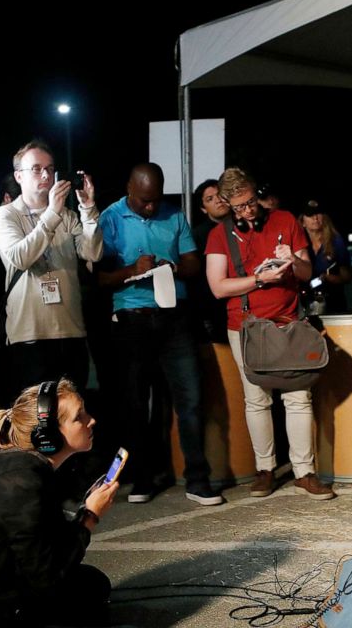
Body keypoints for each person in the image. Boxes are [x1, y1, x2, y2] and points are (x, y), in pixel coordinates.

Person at [0, 379, 118, 628]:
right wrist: (89, 517)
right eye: (79, 417)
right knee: (87, 592)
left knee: (91, 583)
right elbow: (48, 577)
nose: (91, 420)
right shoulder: (21, 485)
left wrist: (82, 515)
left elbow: (45, 547)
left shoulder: (25, 471)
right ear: (48, 436)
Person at [205, 168, 334, 500]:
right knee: (257, 399)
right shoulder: (220, 234)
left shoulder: (285, 220)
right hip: (246, 326)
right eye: (239, 208)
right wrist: (260, 280)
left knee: (298, 397)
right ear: (227, 205)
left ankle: (304, 472)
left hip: (288, 320)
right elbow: (218, 287)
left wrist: (292, 260)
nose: (247, 211)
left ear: (255, 193)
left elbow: (307, 272)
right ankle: (265, 469)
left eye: (250, 203)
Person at [98, 163, 222, 506]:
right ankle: (142, 478)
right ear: (129, 189)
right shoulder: (110, 218)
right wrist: (131, 270)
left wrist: (173, 267)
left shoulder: (174, 215)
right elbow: (98, 278)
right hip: (131, 317)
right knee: (137, 403)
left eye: (155, 200)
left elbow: (194, 265)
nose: (151, 207)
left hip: (174, 316)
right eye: (143, 201)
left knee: (190, 400)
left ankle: (197, 478)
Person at [0, 140, 102, 393]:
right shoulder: (6, 214)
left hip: (70, 330)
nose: (45, 175)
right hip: (30, 334)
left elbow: (92, 253)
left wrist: (87, 209)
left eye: (50, 169)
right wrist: (52, 212)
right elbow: (20, 258)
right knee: (37, 420)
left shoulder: (69, 215)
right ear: (18, 176)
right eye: (36, 168)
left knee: (72, 415)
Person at [189, 179, 231, 342]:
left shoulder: (245, 225)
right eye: (210, 199)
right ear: (203, 209)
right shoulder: (198, 236)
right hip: (214, 309)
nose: (218, 200)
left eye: (219, 194)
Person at [299, 200, 352, 314]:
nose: (315, 218)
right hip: (305, 303)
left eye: (318, 213)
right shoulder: (298, 244)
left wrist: (329, 278)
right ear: (303, 221)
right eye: (310, 215)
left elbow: (347, 276)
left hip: (334, 302)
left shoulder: (336, 241)